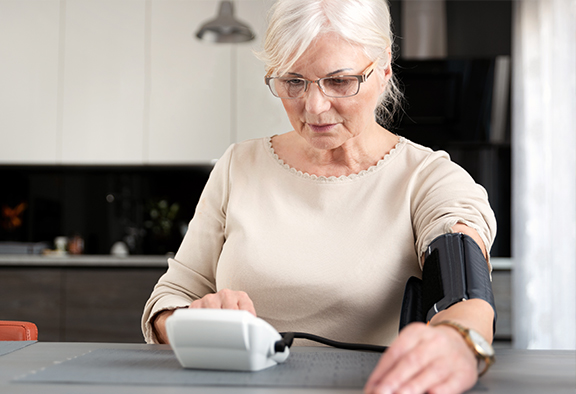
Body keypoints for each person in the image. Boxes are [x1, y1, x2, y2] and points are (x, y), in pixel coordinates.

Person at [142, 0, 497, 393]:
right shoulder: (237, 166)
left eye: (340, 81)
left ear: (383, 68)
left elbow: (463, 290)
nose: (314, 106)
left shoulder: (428, 179)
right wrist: (190, 319)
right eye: (293, 81)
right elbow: (169, 300)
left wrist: (459, 341)